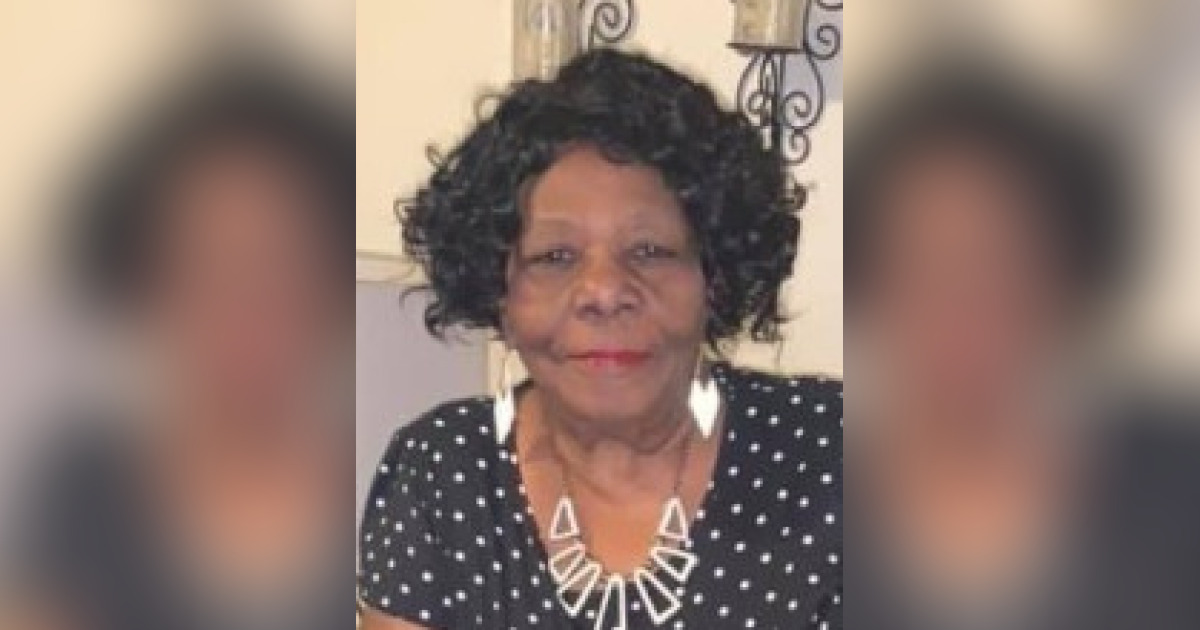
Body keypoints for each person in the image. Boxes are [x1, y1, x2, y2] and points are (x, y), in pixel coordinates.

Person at [358, 49, 843, 629]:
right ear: (499, 296)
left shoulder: (839, 456)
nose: (605, 292)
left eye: (649, 251)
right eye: (555, 257)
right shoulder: (443, 475)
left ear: (713, 279)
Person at [847, 62, 1200, 629]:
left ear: (1070, 279)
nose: (959, 304)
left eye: (998, 264)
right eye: (921, 265)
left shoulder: (1174, 486)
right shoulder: (818, 490)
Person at [7, 62, 353, 630]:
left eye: (279, 262)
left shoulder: (382, 488)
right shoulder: (85, 488)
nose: (246, 303)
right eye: (206, 266)